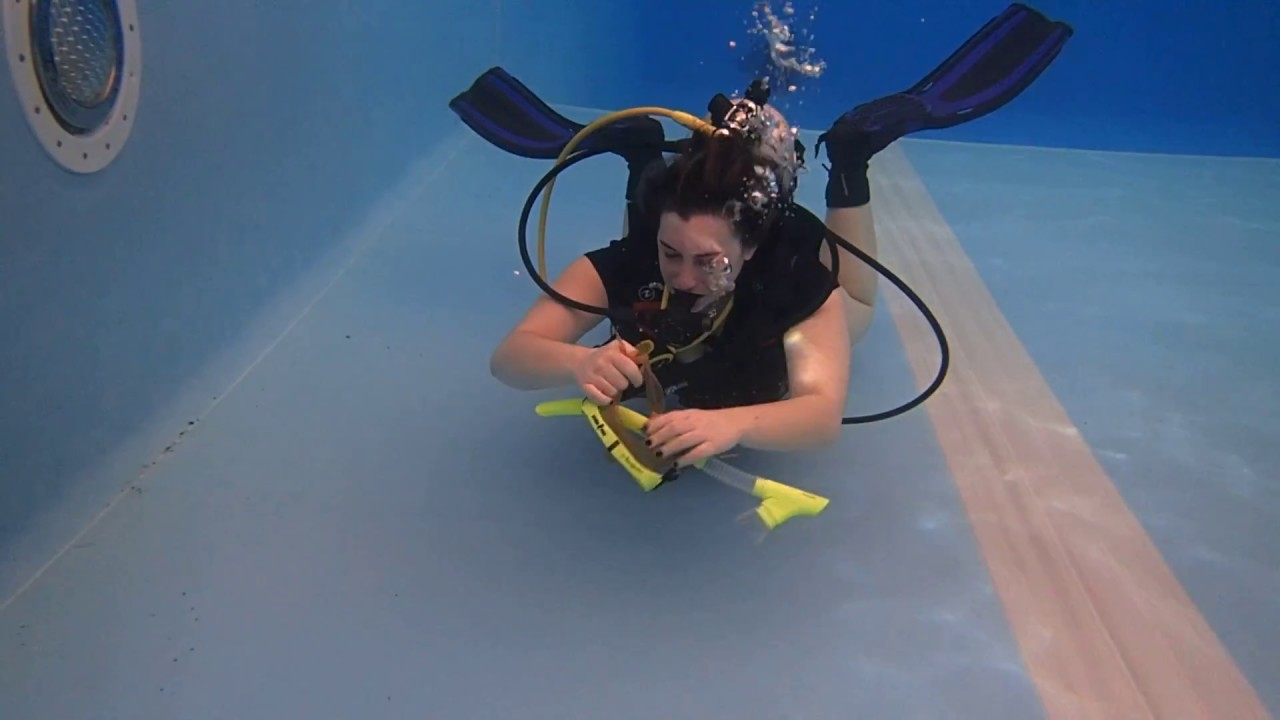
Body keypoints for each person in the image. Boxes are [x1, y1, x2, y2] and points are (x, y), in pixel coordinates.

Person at [449, 3, 1074, 467]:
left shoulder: (792, 280)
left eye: (710, 261)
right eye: (673, 254)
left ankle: (851, 157)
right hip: (672, 244)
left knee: (856, 311)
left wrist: (735, 427)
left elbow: (818, 412)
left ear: (750, 247)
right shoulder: (633, 260)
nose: (687, 279)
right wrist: (578, 358)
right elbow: (511, 360)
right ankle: (643, 162)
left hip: (783, 298)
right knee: (648, 254)